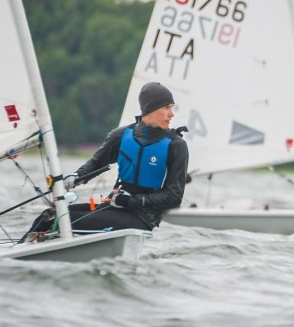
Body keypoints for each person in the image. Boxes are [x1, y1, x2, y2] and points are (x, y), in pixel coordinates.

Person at [29, 81, 188, 238]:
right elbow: (96, 163)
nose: (171, 114)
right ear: (150, 109)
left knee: (62, 221)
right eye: (166, 108)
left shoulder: (176, 145)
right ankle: (24, 248)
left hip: (142, 216)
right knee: (48, 216)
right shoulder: (121, 135)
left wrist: (130, 201)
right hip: (115, 207)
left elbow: (174, 197)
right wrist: (76, 176)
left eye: (171, 107)